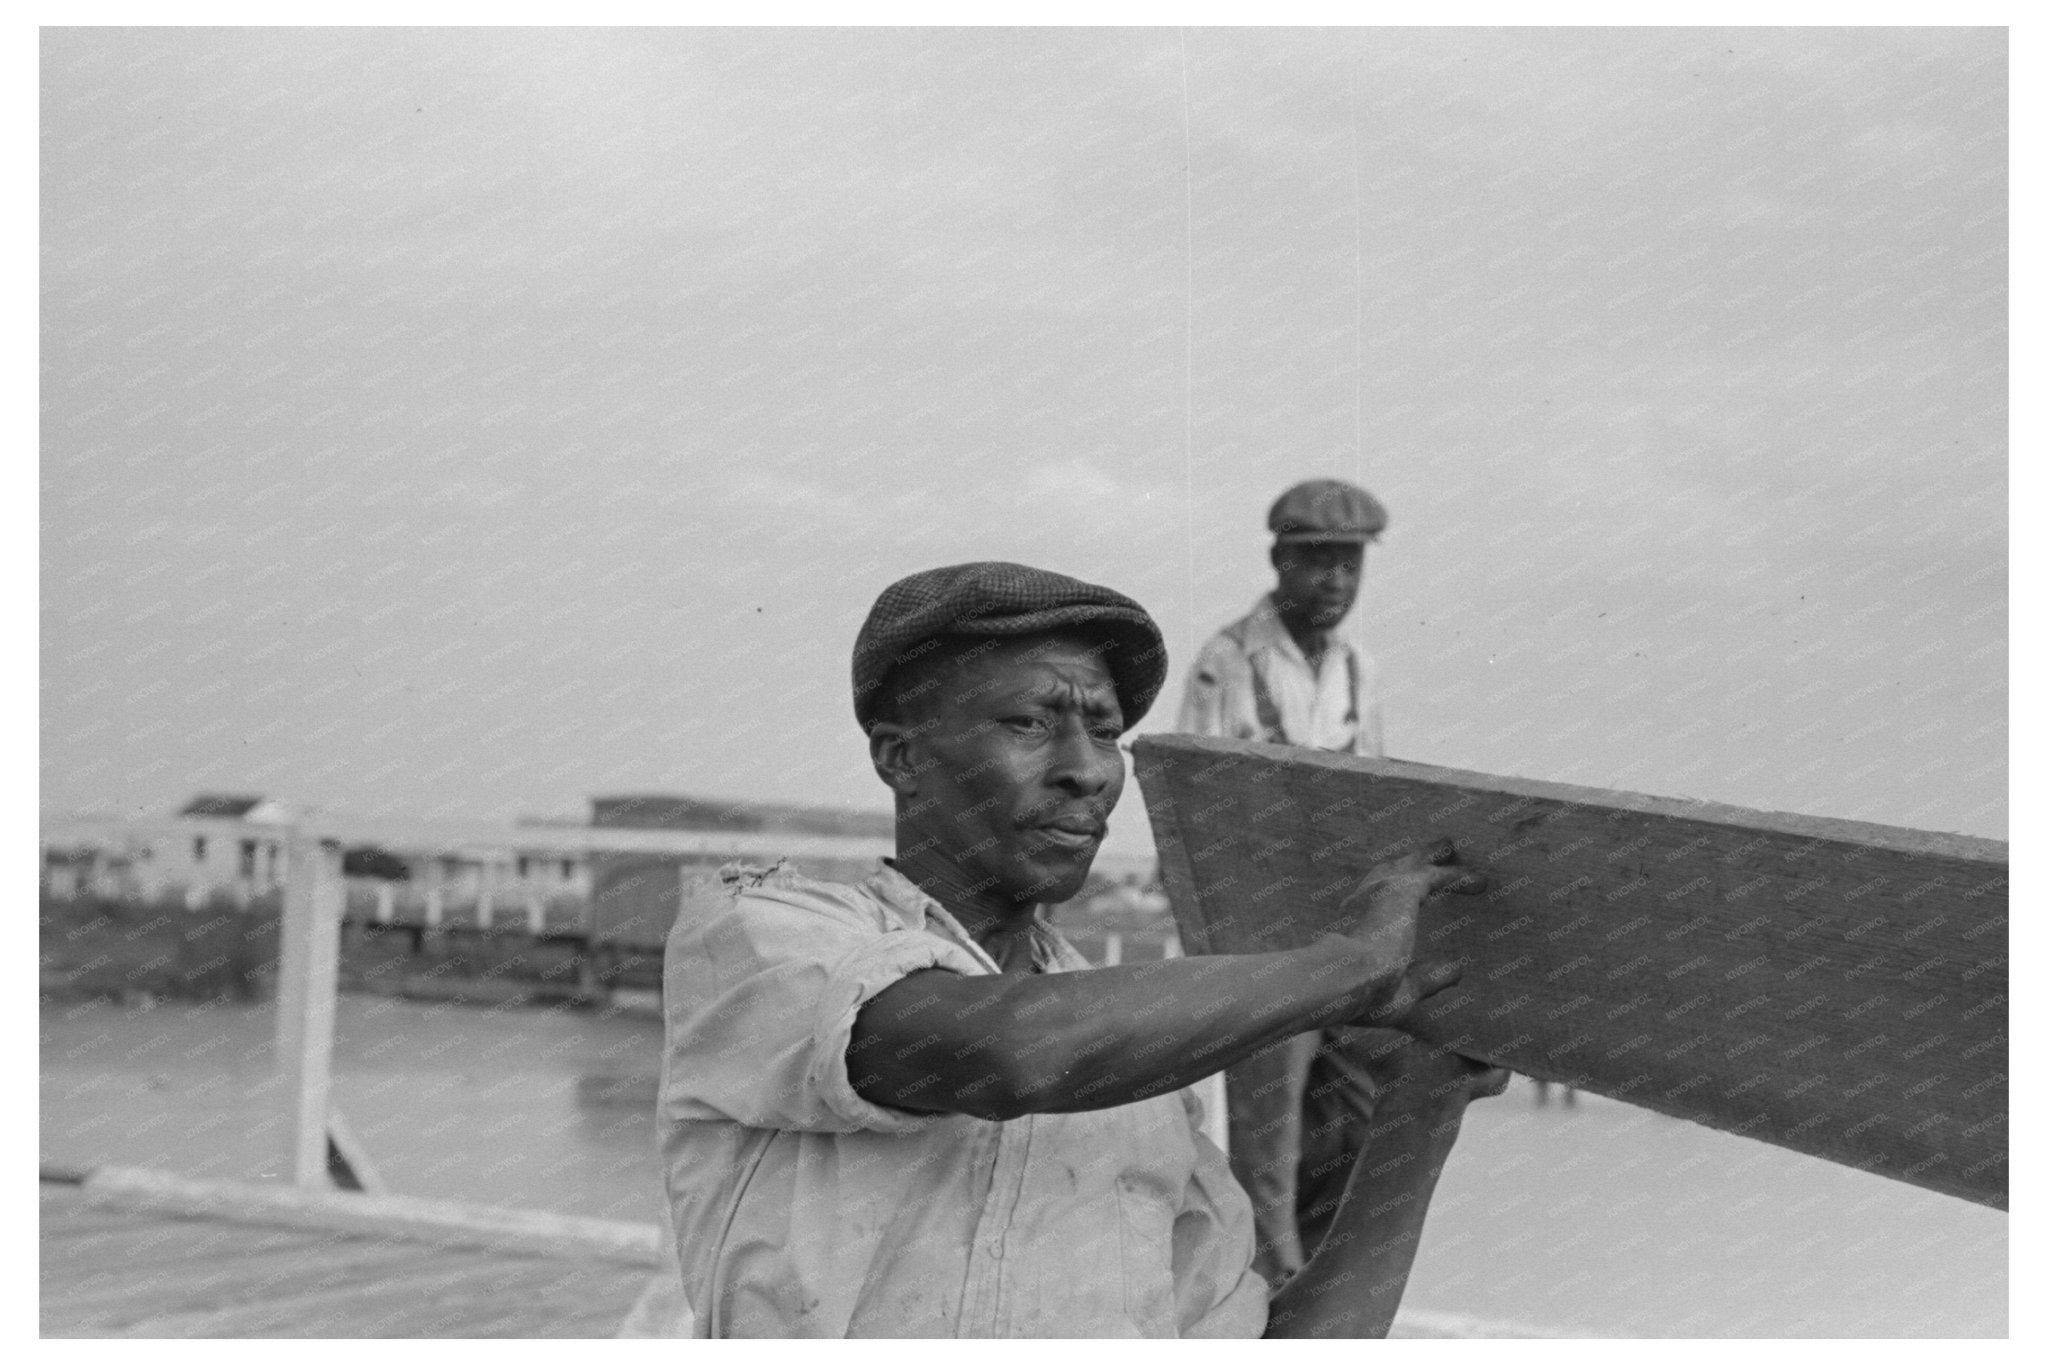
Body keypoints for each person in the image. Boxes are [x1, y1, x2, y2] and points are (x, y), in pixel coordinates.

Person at [656, 561, 1500, 1337]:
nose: (1086, 770)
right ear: (900, 757)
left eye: (1104, 731)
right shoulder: (760, 936)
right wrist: (1350, 965)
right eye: (1030, 722)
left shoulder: (1149, 1092)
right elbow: (1011, 1052)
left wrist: (1424, 1106)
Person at [1176, 478, 1412, 1287]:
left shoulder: (1358, 667)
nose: (1335, 582)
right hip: (1264, 936)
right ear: (1280, 560)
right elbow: (1199, 806)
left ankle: (1314, 1297)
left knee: (1353, 1118)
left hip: (1337, 931)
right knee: (1266, 1149)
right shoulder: (1228, 658)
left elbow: (1374, 796)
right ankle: (1264, 1303)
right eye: (1317, 563)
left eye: (1349, 565)